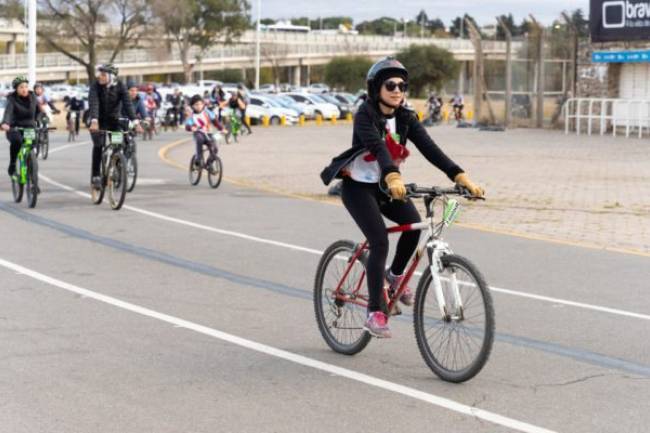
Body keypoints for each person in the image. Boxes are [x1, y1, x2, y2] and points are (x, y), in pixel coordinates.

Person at [320, 57, 485, 338]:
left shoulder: (407, 118)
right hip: (359, 188)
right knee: (380, 241)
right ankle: (375, 312)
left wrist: (460, 176)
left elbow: (431, 149)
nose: (398, 89)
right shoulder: (365, 114)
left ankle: (394, 278)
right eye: (390, 84)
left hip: (388, 187)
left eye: (402, 85)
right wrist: (392, 174)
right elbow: (377, 147)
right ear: (376, 88)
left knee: (413, 226)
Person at [87, 64, 141, 189]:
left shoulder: (121, 86)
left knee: (118, 143)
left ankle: (116, 167)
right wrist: (94, 120)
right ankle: (96, 175)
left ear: (111, 77)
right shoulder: (95, 86)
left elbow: (128, 105)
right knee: (99, 145)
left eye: (103, 75)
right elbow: (93, 102)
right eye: (100, 74)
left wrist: (136, 122)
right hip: (98, 121)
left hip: (113, 120)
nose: (100, 77)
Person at [1, 76, 42, 178]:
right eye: (21, 87)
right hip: (15, 128)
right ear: (16, 89)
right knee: (17, 142)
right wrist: (5, 123)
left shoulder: (33, 97)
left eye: (26, 86)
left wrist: (38, 120)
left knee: (34, 143)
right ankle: (13, 164)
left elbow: (39, 111)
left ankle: (32, 177)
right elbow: (8, 112)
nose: (24, 89)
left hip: (29, 127)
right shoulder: (12, 99)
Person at [184, 94, 224, 165]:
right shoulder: (192, 115)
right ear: (192, 106)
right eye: (196, 104)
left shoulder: (207, 112)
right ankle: (198, 158)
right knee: (199, 139)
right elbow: (187, 125)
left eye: (200, 104)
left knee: (214, 149)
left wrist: (222, 129)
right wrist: (191, 127)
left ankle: (209, 163)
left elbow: (215, 121)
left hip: (208, 133)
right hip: (198, 133)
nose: (199, 106)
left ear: (203, 104)